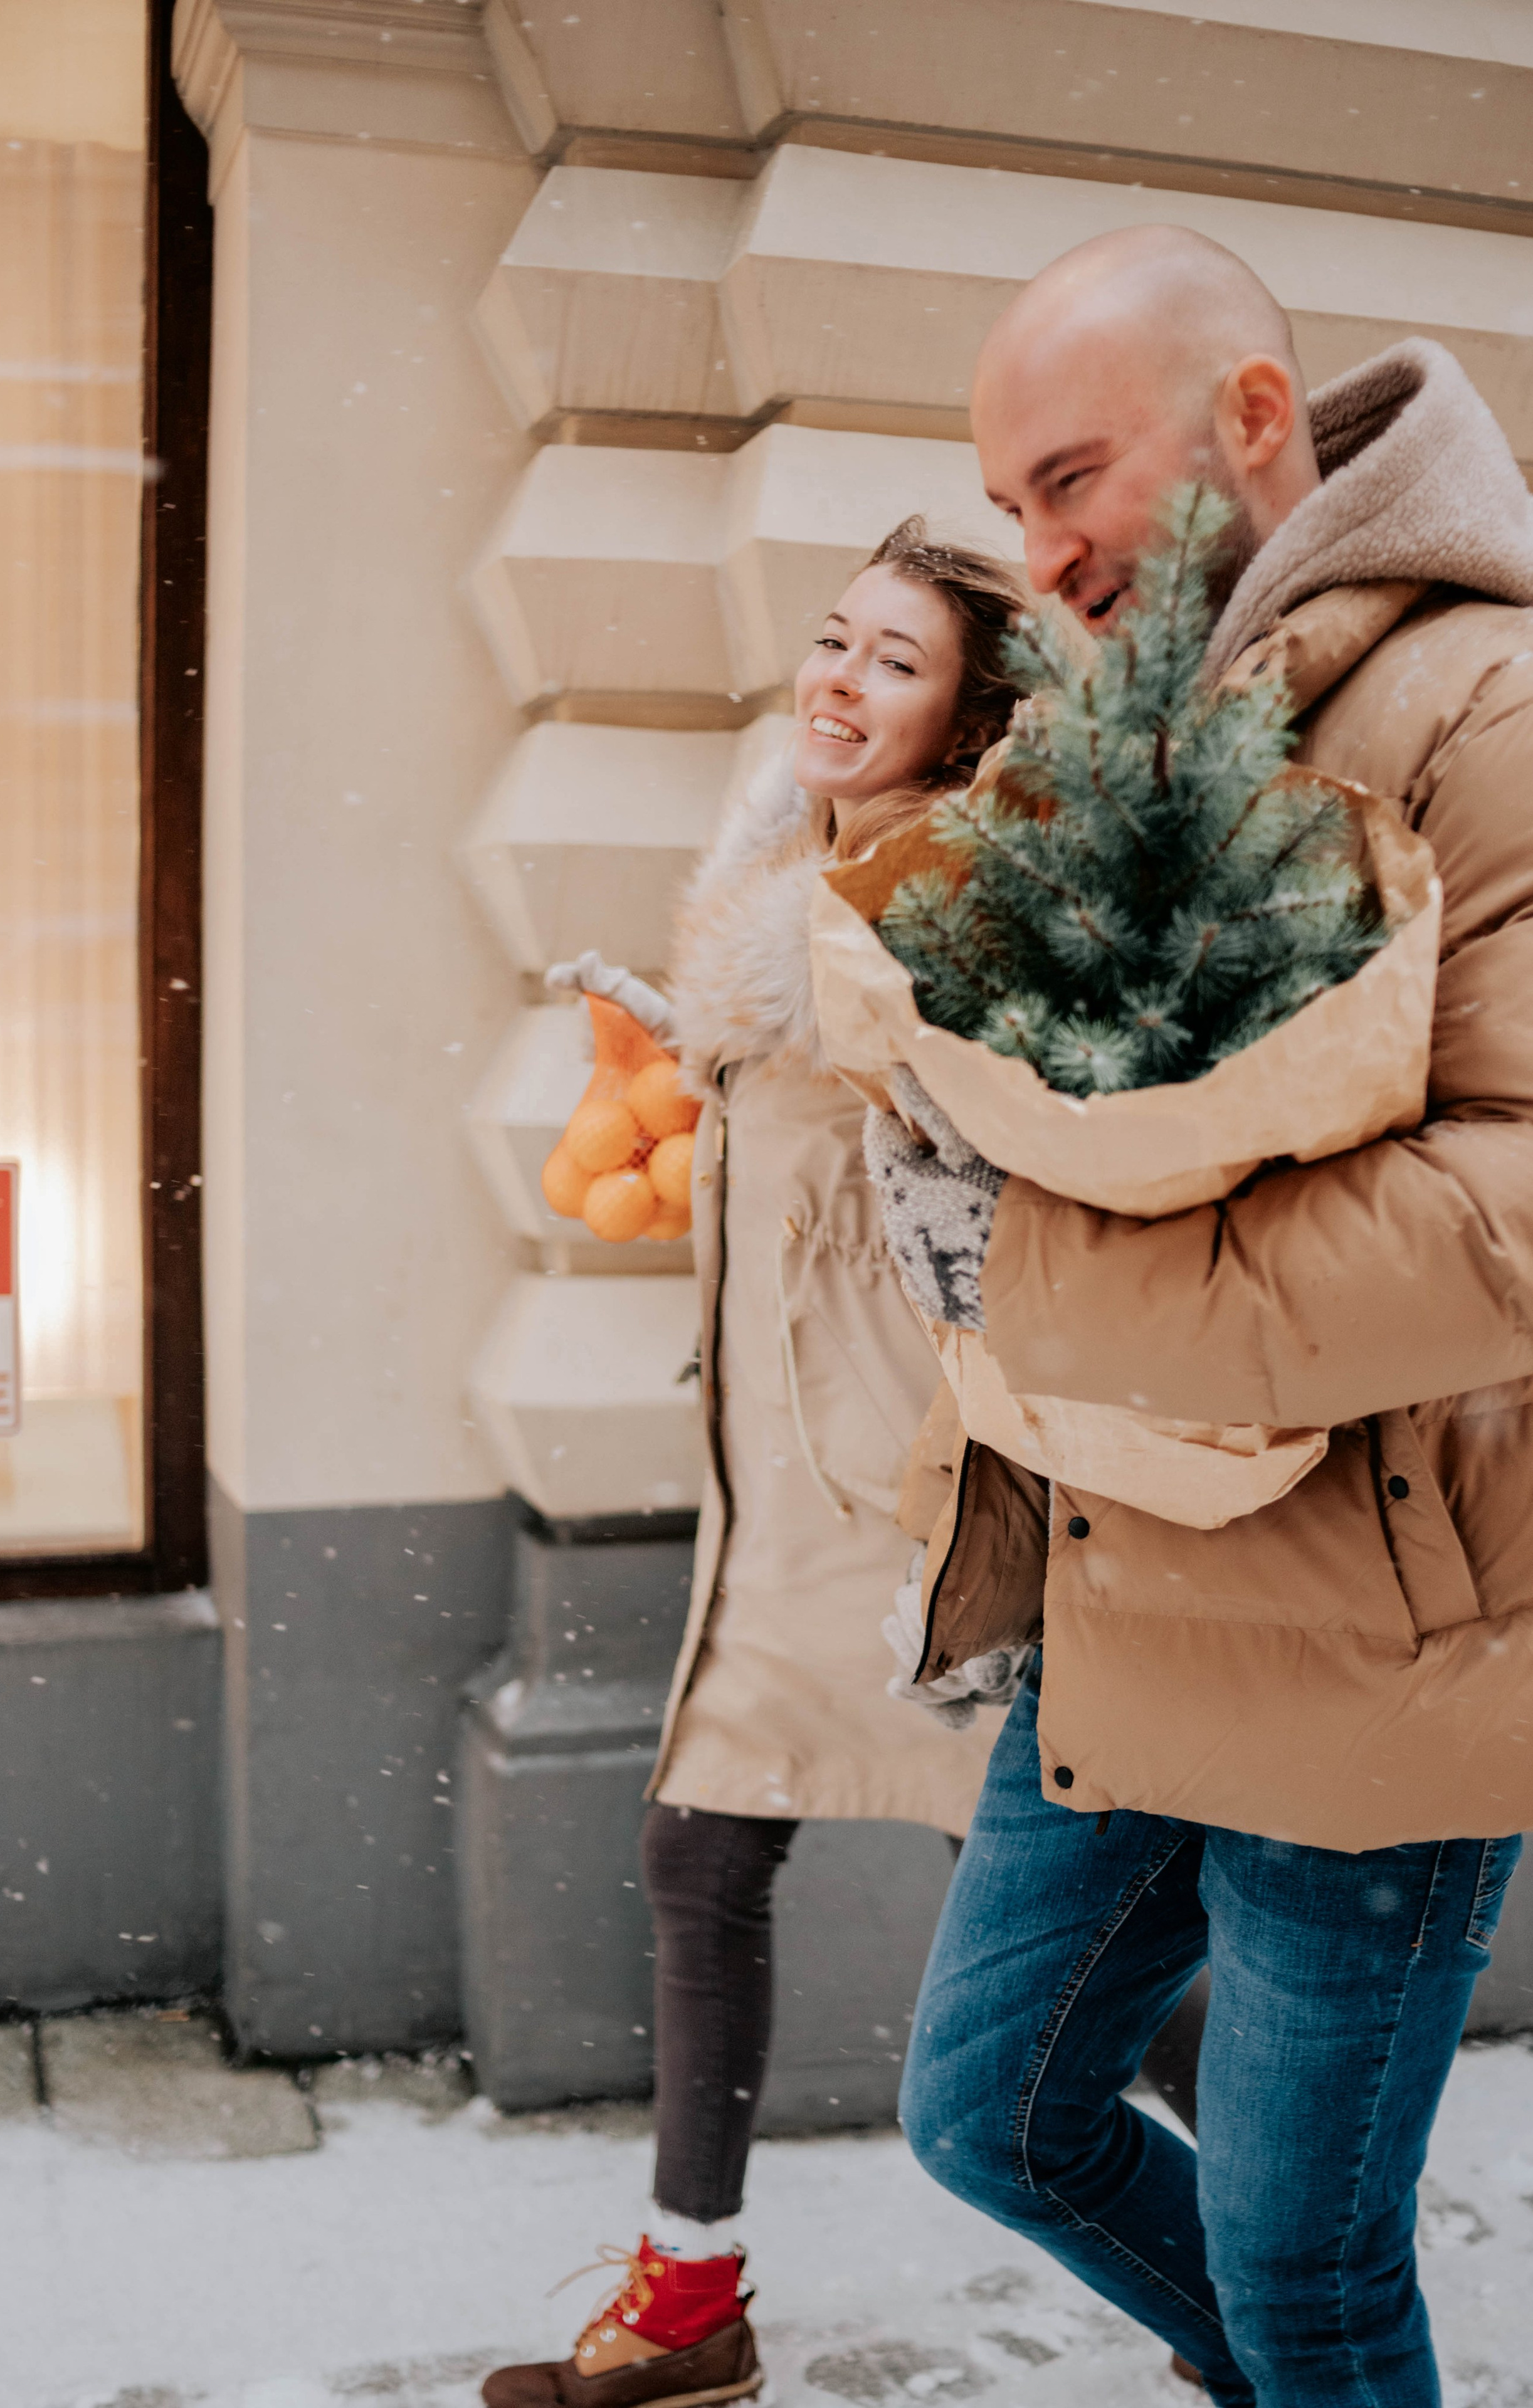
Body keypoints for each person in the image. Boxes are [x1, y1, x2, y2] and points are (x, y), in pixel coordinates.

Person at [871, 225, 1533, 2407]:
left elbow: (1510, 1208)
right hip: (1127, 1574)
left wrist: (1060, 1285)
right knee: (992, 2114)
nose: (1036, 554)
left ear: (1257, 418)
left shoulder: (1486, 706)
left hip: (1385, 1648)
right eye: (1010, 509)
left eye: (1070, 479)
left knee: (1311, 2263)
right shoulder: (1119, 729)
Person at [483, 521, 1209, 2408]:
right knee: (703, 1851)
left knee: (1073, 1946)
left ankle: (1303, 2258)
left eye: (894, 660)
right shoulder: (780, 884)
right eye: (831, 639)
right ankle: (690, 2302)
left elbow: (1005, 1176)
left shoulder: (946, 909)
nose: (837, 677)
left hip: (923, 1508)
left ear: (966, 718)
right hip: (778, 1496)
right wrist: (678, 1087)